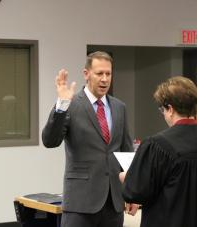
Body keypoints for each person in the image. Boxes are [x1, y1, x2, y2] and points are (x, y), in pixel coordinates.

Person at [120, 76, 197, 227]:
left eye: (163, 110)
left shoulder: (156, 145)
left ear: (170, 109)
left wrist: (126, 177)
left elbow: (135, 192)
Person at [42, 51, 138, 227]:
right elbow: (50, 141)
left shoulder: (119, 107)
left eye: (108, 74)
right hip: (80, 203)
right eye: (99, 73)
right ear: (86, 74)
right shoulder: (70, 104)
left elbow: (126, 151)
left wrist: (132, 192)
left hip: (113, 203)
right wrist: (61, 105)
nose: (104, 79)